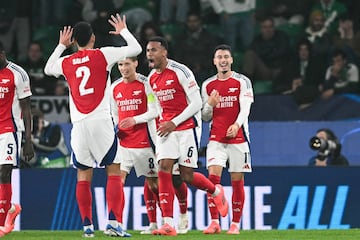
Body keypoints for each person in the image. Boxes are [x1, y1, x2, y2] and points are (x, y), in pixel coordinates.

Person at [44, 14, 142, 237]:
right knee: (114, 171)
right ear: (93, 38)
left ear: (75, 41)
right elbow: (135, 48)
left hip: (78, 125)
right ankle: (114, 223)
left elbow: (48, 69)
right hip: (100, 121)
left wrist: (61, 46)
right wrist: (123, 30)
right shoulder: (103, 54)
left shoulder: (66, 62)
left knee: (83, 175)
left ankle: (87, 227)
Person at [146, 36, 228, 236]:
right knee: (163, 168)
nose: (149, 54)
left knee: (186, 176)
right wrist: (162, 124)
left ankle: (216, 192)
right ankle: (168, 223)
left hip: (186, 128)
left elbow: (196, 104)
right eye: (147, 50)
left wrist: (174, 122)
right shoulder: (150, 78)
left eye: (154, 50)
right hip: (167, 130)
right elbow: (156, 105)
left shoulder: (181, 71)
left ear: (164, 52)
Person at [110, 57, 189, 234]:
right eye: (120, 65)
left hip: (147, 142)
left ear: (135, 63)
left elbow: (155, 111)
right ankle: (116, 224)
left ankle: (164, 221)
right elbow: (115, 113)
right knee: (118, 181)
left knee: (154, 184)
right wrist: (118, 127)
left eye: (127, 64)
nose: (124, 68)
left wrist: (134, 120)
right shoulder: (114, 87)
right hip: (124, 144)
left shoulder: (147, 84)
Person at [201, 44, 253, 234]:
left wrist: (236, 125)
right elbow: (205, 116)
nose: (223, 60)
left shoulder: (242, 81)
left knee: (237, 181)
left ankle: (235, 224)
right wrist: (209, 105)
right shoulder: (207, 85)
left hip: (239, 138)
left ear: (231, 60)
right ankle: (214, 222)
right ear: (214, 61)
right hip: (216, 139)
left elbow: (245, 109)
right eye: (219, 57)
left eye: (226, 57)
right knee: (212, 180)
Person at [0, 40, 34, 237]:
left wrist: (28, 141)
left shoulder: (18, 74)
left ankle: (2, 223)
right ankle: (11, 208)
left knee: (4, 172)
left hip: (9, 130)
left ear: (2, 53)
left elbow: (26, 109)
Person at [173, 12, 221, 86]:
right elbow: (178, 56)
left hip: (205, 69)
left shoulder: (209, 37)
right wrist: (186, 67)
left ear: (200, 22)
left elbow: (212, 55)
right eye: (190, 21)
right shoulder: (181, 38)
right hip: (186, 70)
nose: (192, 24)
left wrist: (201, 65)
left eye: (194, 21)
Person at [242, 16, 291, 83]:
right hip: (264, 70)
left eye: (270, 27)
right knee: (249, 54)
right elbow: (252, 52)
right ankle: (245, 84)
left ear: (274, 28)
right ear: (261, 29)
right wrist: (269, 52)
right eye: (265, 27)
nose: (268, 30)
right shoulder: (257, 40)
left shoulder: (281, 37)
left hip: (279, 71)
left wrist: (264, 54)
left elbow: (281, 53)